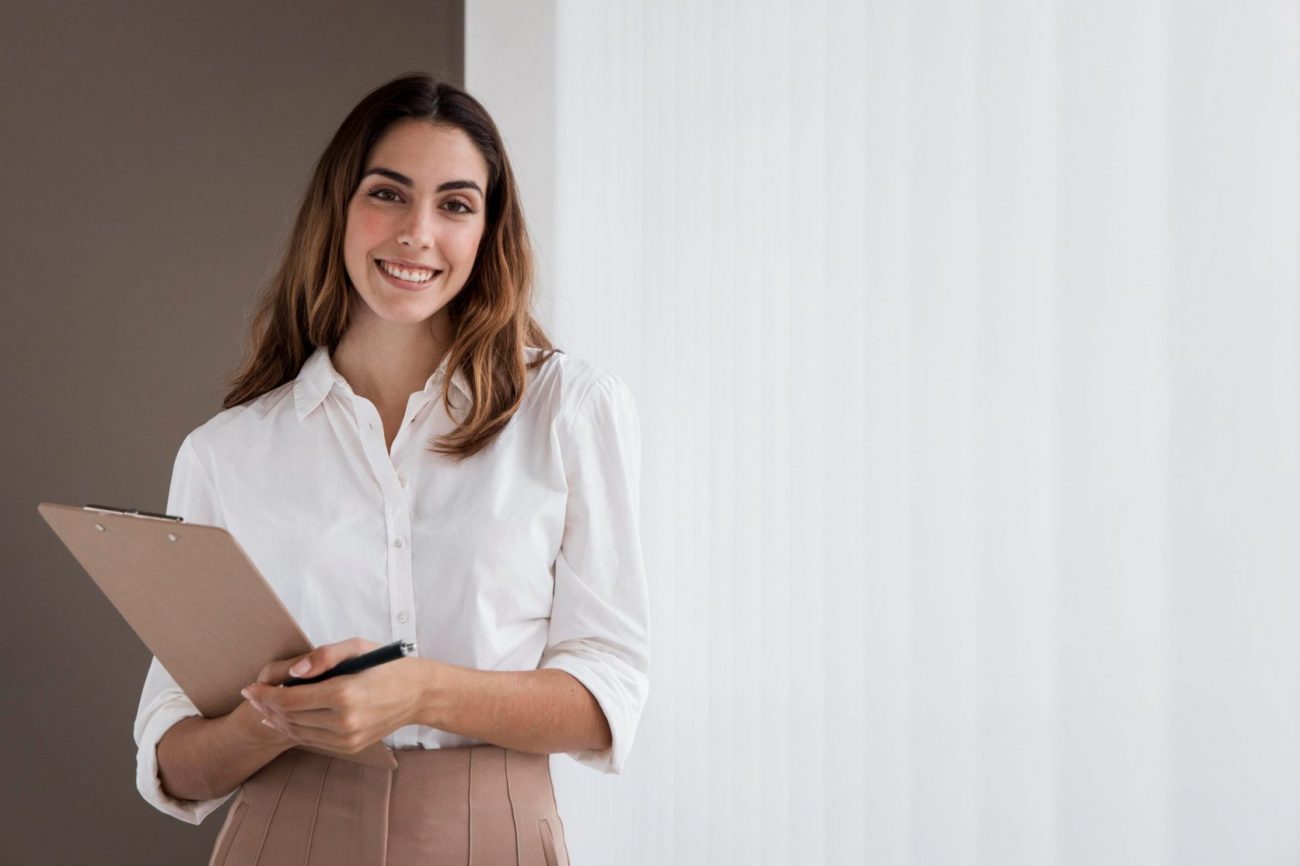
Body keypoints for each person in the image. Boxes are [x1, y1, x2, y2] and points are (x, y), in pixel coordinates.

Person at [131, 72, 650, 866]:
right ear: (337, 209)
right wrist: (277, 715)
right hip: (283, 833)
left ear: (488, 231)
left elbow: (607, 694)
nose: (417, 233)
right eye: (387, 194)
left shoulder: (569, 410)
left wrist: (419, 690)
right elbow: (174, 762)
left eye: (455, 205)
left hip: (497, 833)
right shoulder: (227, 451)